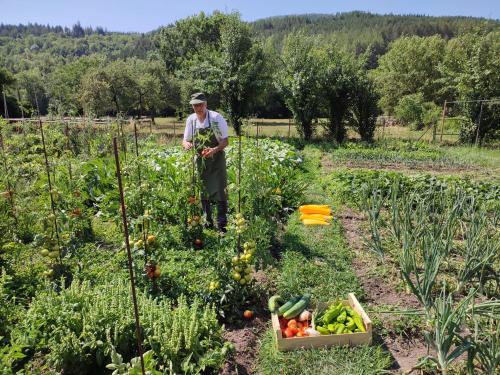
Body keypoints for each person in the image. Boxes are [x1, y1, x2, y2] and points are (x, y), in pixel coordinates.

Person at [182, 92, 229, 232]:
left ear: (206, 104)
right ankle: (207, 221)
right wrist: (186, 145)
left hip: (216, 160)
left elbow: (225, 141)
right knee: (204, 191)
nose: (198, 108)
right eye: (195, 105)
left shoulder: (215, 118)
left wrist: (214, 150)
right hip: (201, 162)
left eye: (200, 104)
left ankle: (222, 224)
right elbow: (185, 140)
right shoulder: (191, 120)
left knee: (220, 190)